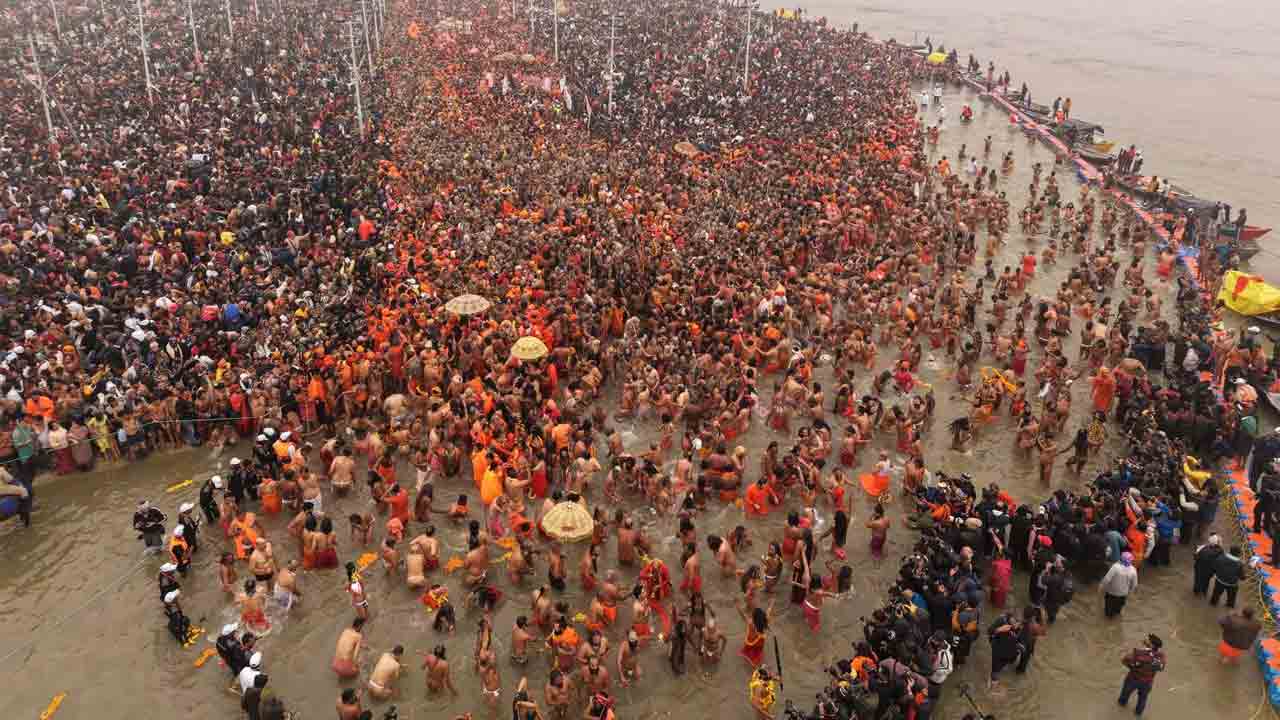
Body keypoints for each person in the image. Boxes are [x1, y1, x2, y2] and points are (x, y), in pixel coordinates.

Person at [1118, 634, 1166, 716]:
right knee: (1142, 700)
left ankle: (1120, 710)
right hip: (1148, 682)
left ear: (1151, 644)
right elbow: (1161, 668)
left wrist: (1132, 665)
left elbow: (1124, 661)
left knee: (1124, 697)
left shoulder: (1138, 653)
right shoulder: (1160, 657)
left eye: (1147, 639)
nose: (1145, 639)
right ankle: (1138, 714)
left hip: (1133, 679)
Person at [1100, 551, 1138, 618]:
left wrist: (1102, 588)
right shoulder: (1133, 570)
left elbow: (1106, 580)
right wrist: (1130, 593)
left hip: (1111, 593)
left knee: (1108, 613)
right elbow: (1134, 585)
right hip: (1123, 595)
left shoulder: (1115, 567)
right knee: (1118, 611)